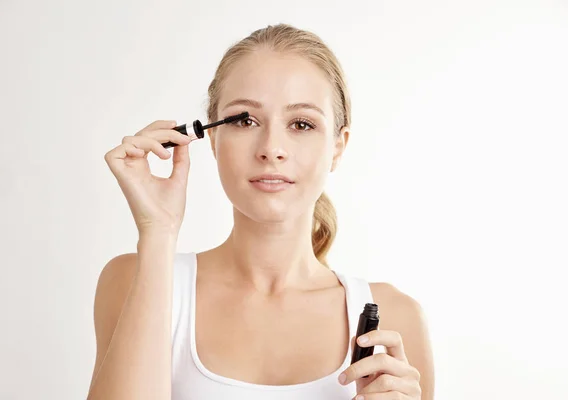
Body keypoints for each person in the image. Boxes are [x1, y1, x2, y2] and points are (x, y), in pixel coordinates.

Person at [87, 23, 435, 400]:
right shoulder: (135, 279)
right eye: (244, 120)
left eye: (301, 124)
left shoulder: (397, 319)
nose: (272, 148)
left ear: (338, 146)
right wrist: (158, 230)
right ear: (214, 138)